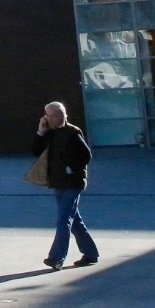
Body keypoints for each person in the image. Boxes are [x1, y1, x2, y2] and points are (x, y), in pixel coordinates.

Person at [34, 101, 99, 271]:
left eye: (53, 116)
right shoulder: (50, 133)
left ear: (62, 115)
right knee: (74, 220)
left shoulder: (73, 132)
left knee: (63, 220)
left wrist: (71, 168)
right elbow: (36, 151)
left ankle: (56, 258)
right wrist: (40, 132)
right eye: (47, 116)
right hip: (57, 182)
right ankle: (91, 253)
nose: (50, 119)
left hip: (73, 183)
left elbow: (86, 156)